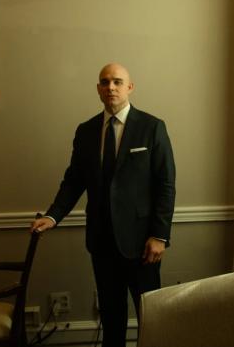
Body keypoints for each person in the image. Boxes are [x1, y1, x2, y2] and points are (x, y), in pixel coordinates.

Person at [31, 63, 176, 347]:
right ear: (98, 89)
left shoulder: (152, 127)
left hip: (142, 243)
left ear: (130, 87)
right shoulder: (86, 131)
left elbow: (166, 184)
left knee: (152, 318)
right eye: (105, 82)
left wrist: (159, 236)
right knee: (111, 318)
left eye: (117, 82)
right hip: (101, 241)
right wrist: (53, 216)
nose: (111, 87)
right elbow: (74, 181)